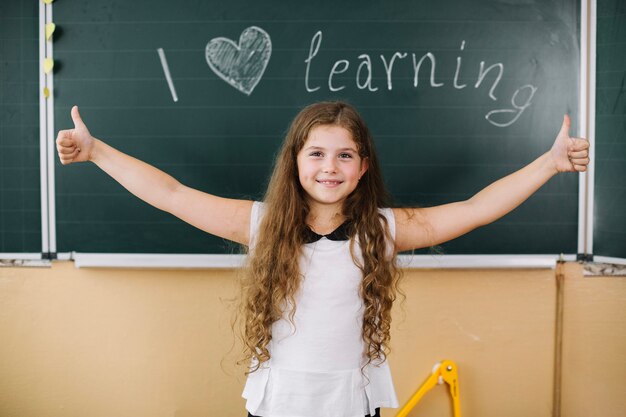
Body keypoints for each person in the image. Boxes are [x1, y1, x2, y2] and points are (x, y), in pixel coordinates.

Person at [56, 101, 590, 417]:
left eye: (344, 155)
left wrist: (547, 164)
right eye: (316, 153)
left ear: (361, 168)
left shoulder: (383, 230)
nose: (328, 167)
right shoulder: (263, 224)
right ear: (295, 162)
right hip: (278, 401)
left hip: (351, 402)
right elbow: (171, 193)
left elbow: (475, 208)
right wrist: (97, 150)